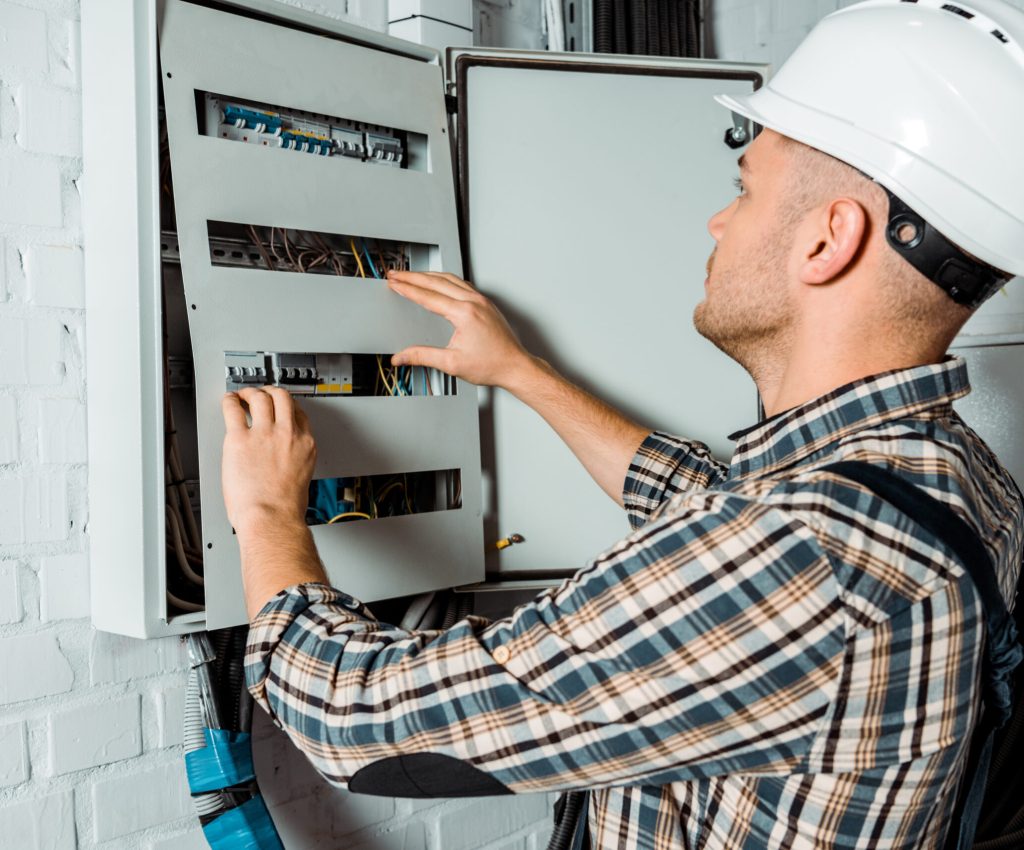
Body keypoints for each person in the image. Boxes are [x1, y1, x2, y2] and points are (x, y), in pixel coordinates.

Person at [220, 1, 1024, 846]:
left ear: (829, 240)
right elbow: (705, 505)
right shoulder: (949, 477)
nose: (719, 219)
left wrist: (269, 513)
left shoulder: (809, 552)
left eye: (745, 189)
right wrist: (522, 372)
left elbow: (356, 720)